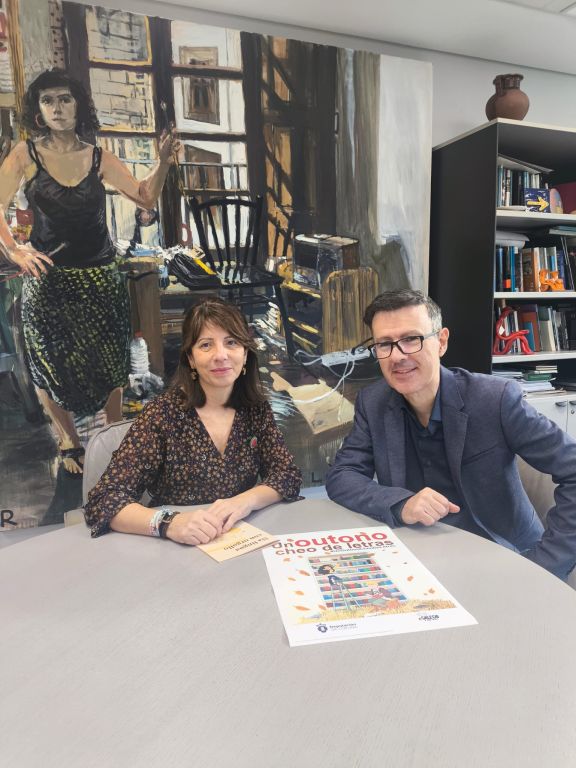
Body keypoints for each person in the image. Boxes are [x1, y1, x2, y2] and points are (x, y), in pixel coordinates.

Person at [326, 288, 576, 580]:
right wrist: (400, 503)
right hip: (422, 558)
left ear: (441, 342)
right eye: (384, 344)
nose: (397, 356)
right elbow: (343, 475)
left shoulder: (495, 400)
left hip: (504, 558)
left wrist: (544, 566)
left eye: (411, 339)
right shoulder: (374, 403)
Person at [0, 69, 179, 474]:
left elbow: (145, 196)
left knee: (110, 361)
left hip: (100, 275)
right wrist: (14, 250)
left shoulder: (99, 156)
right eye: (48, 101)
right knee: (48, 362)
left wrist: (164, 161)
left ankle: (111, 433)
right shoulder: (26, 154)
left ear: (79, 105)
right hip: (48, 279)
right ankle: (69, 441)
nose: (57, 108)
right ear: (38, 110)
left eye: (65, 99)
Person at [84, 297, 302, 544]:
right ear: (190, 358)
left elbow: (286, 475)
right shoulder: (162, 415)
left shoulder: (255, 410)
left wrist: (245, 501)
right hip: (173, 547)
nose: (221, 355)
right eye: (206, 345)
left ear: (245, 354)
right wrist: (168, 523)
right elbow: (104, 499)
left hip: (235, 541)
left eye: (231, 342)